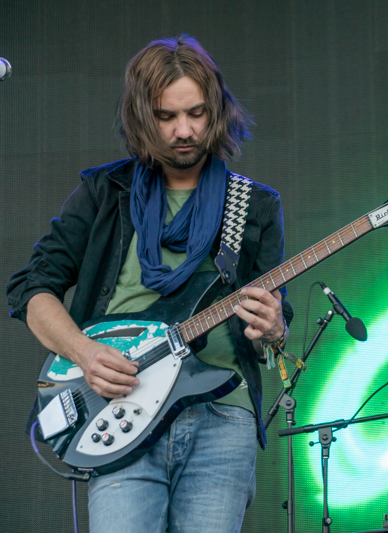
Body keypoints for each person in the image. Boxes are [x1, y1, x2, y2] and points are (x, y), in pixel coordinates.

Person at [7, 35, 292, 531]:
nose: (184, 130)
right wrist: (84, 353)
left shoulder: (255, 205)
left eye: (197, 114)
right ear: (142, 116)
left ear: (217, 112)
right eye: (166, 117)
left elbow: (273, 317)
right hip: (121, 408)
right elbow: (32, 288)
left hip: (222, 416)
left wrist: (273, 329)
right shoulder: (104, 192)